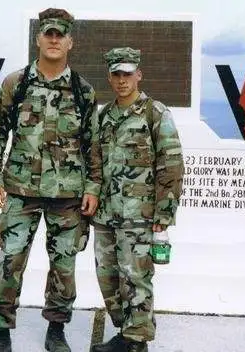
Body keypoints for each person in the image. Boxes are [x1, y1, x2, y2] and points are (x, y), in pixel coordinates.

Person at [0, 8, 102, 352]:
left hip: (68, 195)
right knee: (10, 259)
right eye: (47, 33)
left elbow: (94, 146)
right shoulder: (15, 84)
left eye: (59, 34)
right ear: (38, 39)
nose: (53, 39)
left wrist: (93, 187)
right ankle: (1, 330)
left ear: (70, 42)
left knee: (64, 265)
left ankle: (57, 329)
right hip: (20, 190)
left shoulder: (82, 90)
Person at [90, 47, 185, 352]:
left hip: (139, 217)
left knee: (137, 278)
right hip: (106, 216)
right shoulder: (103, 116)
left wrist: (163, 217)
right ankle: (126, 331)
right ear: (110, 77)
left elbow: (171, 165)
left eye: (127, 74)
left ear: (138, 75)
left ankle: (136, 340)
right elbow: (94, 161)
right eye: (116, 74)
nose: (121, 80)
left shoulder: (154, 113)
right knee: (108, 278)